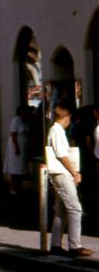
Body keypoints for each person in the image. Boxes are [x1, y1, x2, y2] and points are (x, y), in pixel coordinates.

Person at [48, 104, 92, 258]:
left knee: (61, 211)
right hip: (62, 174)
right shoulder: (57, 131)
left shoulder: (56, 131)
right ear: (66, 118)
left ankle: (55, 245)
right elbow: (62, 155)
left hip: (60, 174)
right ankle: (75, 246)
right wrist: (74, 172)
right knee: (75, 209)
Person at [3, 105, 30, 195]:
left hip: (22, 146)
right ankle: (12, 187)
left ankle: (18, 186)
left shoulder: (23, 121)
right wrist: (16, 147)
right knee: (14, 167)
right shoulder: (15, 121)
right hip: (16, 145)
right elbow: (13, 134)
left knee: (20, 167)